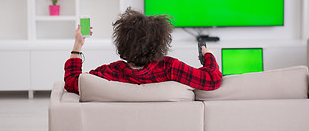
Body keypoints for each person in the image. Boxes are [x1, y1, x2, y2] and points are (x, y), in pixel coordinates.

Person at [64, 8, 222, 94]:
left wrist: (78, 45)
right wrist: (208, 55)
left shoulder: (111, 72)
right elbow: (213, 79)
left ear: (121, 42)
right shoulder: (171, 68)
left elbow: (72, 83)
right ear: (162, 42)